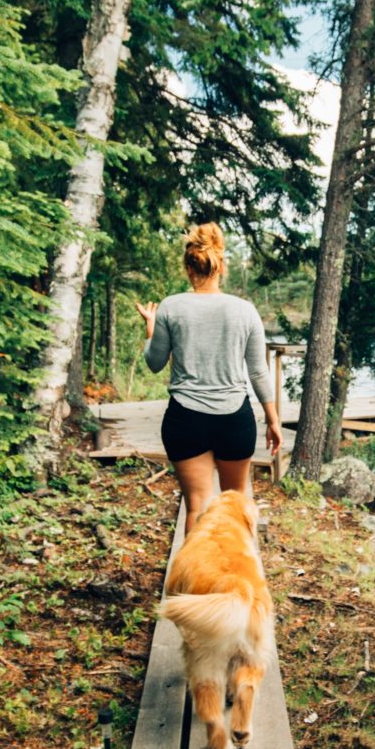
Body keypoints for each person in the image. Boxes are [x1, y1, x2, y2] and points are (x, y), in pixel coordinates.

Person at [136, 223, 281, 530]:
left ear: (189, 267)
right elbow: (258, 371)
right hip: (234, 419)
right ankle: (234, 576)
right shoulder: (245, 310)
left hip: (185, 420)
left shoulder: (171, 307)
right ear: (221, 266)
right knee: (235, 503)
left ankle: (192, 579)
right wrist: (273, 420)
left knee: (197, 508)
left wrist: (151, 328)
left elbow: (154, 362)